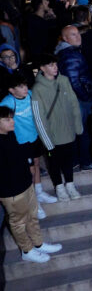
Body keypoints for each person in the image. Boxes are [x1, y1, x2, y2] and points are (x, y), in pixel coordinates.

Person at [0, 106, 63, 263]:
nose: (12, 121)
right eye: (7, 119)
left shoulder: (10, 134)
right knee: (19, 222)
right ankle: (27, 250)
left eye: (11, 118)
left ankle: (38, 243)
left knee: (32, 216)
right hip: (12, 191)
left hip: (25, 184)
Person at [1, 73, 59, 219]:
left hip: (34, 137)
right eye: (20, 87)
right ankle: (34, 203)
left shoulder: (32, 95)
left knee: (37, 164)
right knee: (30, 170)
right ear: (11, 90)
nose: (25, 88)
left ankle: (39, 192)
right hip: (20, 142)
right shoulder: (7, 103)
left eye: (25, 85)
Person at [31, 54, 83, 201]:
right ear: (42, 68)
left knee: (68, 160)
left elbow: (74, 103)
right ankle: (59, 187)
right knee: (54, 162)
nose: (55, 67)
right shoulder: (37, 89)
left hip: (68, 131)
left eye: (55, 64)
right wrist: (47, 140)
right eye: (50, 65)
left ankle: (70, 184)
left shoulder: (64, 80)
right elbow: (38, 117)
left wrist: (78, 126)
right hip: (52, 135)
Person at [55, 25, 92, 171]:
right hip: (79, 100)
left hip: (76, 99)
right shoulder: (70, 55)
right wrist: (85, 96)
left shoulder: (69, 52)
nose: (78, 37)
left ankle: (76, 161)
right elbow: (73, 81)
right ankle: (84, 161)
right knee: (82, 131)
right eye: (73, 35)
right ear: (65, 38)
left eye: (78, 33)